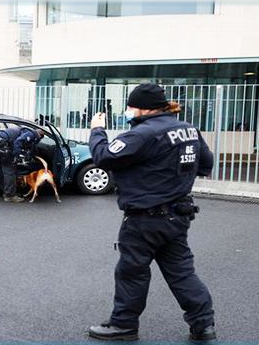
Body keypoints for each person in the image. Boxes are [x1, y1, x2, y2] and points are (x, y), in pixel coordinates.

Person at [87, 83, 216, 341]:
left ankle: (123, 325)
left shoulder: (142, 134)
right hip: (178, 215)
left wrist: (97, 130)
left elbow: (103, 157)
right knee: (181, 272)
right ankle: (203, 325)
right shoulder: (188, 130)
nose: (127, 111)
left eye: (130, 106)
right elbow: (206, 164)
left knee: (132, 271)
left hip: (145, 218)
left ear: (143, 108)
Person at [0, 126, 44, 202]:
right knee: (10, 170)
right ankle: (10, 196)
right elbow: (18, 142)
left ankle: (7, 192)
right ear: (39, 136)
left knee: (2, 169)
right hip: (0, 145)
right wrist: (17, 156)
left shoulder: (23, 130)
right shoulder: (32, 134)